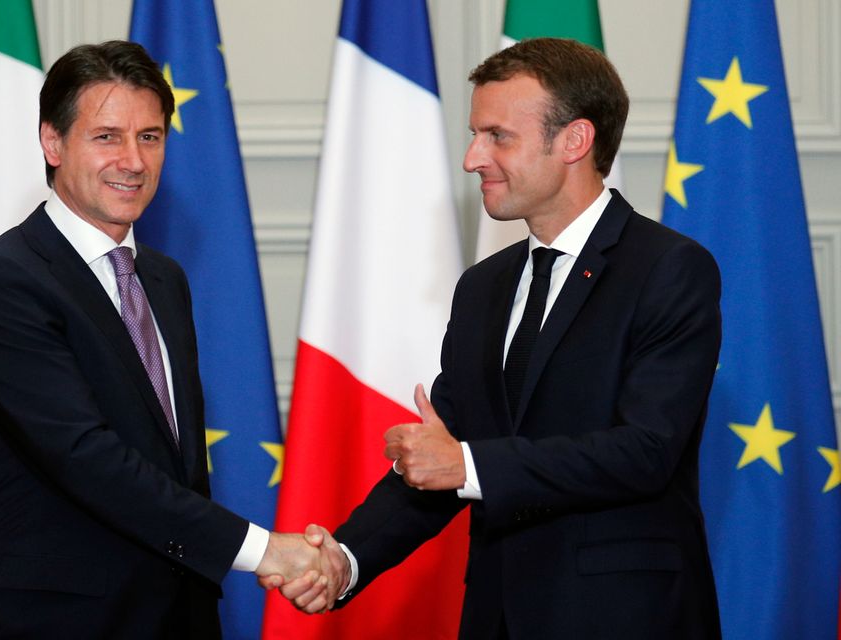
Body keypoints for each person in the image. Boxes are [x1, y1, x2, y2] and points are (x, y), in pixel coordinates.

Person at [275, 37, 723, 639]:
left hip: (623, 618)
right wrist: (346, 559)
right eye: (475, 133)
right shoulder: (483, 287)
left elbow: (644, 453)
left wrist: (464, 462)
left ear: (574, 141)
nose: (472, 157)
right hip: (496, 617)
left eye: (497, 136)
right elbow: (444, 456)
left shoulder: (669, 269)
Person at [0, 40, 340, 639]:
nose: (133, 160)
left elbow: (175, 466)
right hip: (55, 624)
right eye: (107, 136)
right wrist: (268, 552)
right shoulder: (4, 281)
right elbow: (86, 459)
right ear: (53, 142)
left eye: (150, 137)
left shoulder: (162, 278)